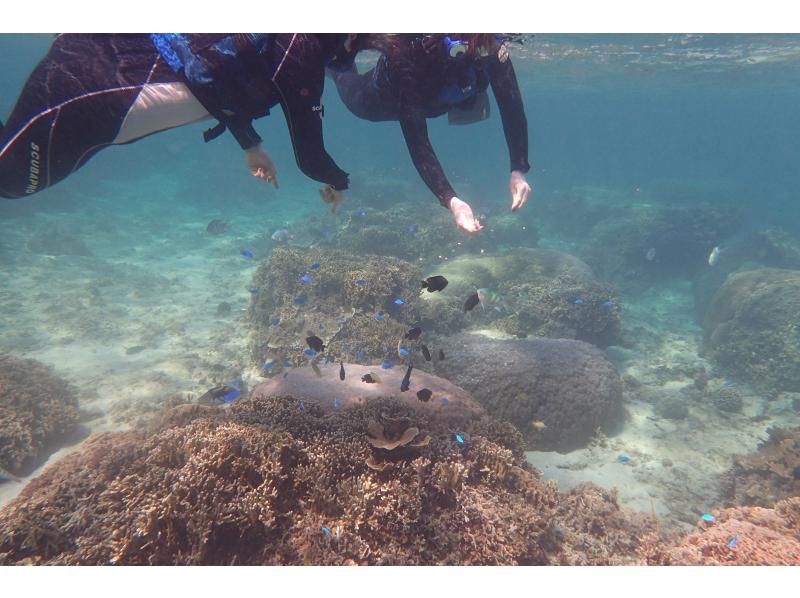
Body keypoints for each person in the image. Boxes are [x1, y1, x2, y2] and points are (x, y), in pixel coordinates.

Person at [0, 33, 352, 211]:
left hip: (99, 61)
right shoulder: (302, 50)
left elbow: (218, 73)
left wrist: (251, 145)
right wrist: (338, 184)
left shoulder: (276, 36)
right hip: (95, 87)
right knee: (11, 180)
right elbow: (310, 156)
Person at [329, 33, 532, 233]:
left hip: (443, 98)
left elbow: (511, 104)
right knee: (344, 78)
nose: (478, 52)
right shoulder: (406, 54)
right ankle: (333, 64)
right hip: (381, 99)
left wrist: (518, 169)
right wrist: (451, 200)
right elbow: (417, 140)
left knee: (474, 83)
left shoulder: (490, 45)